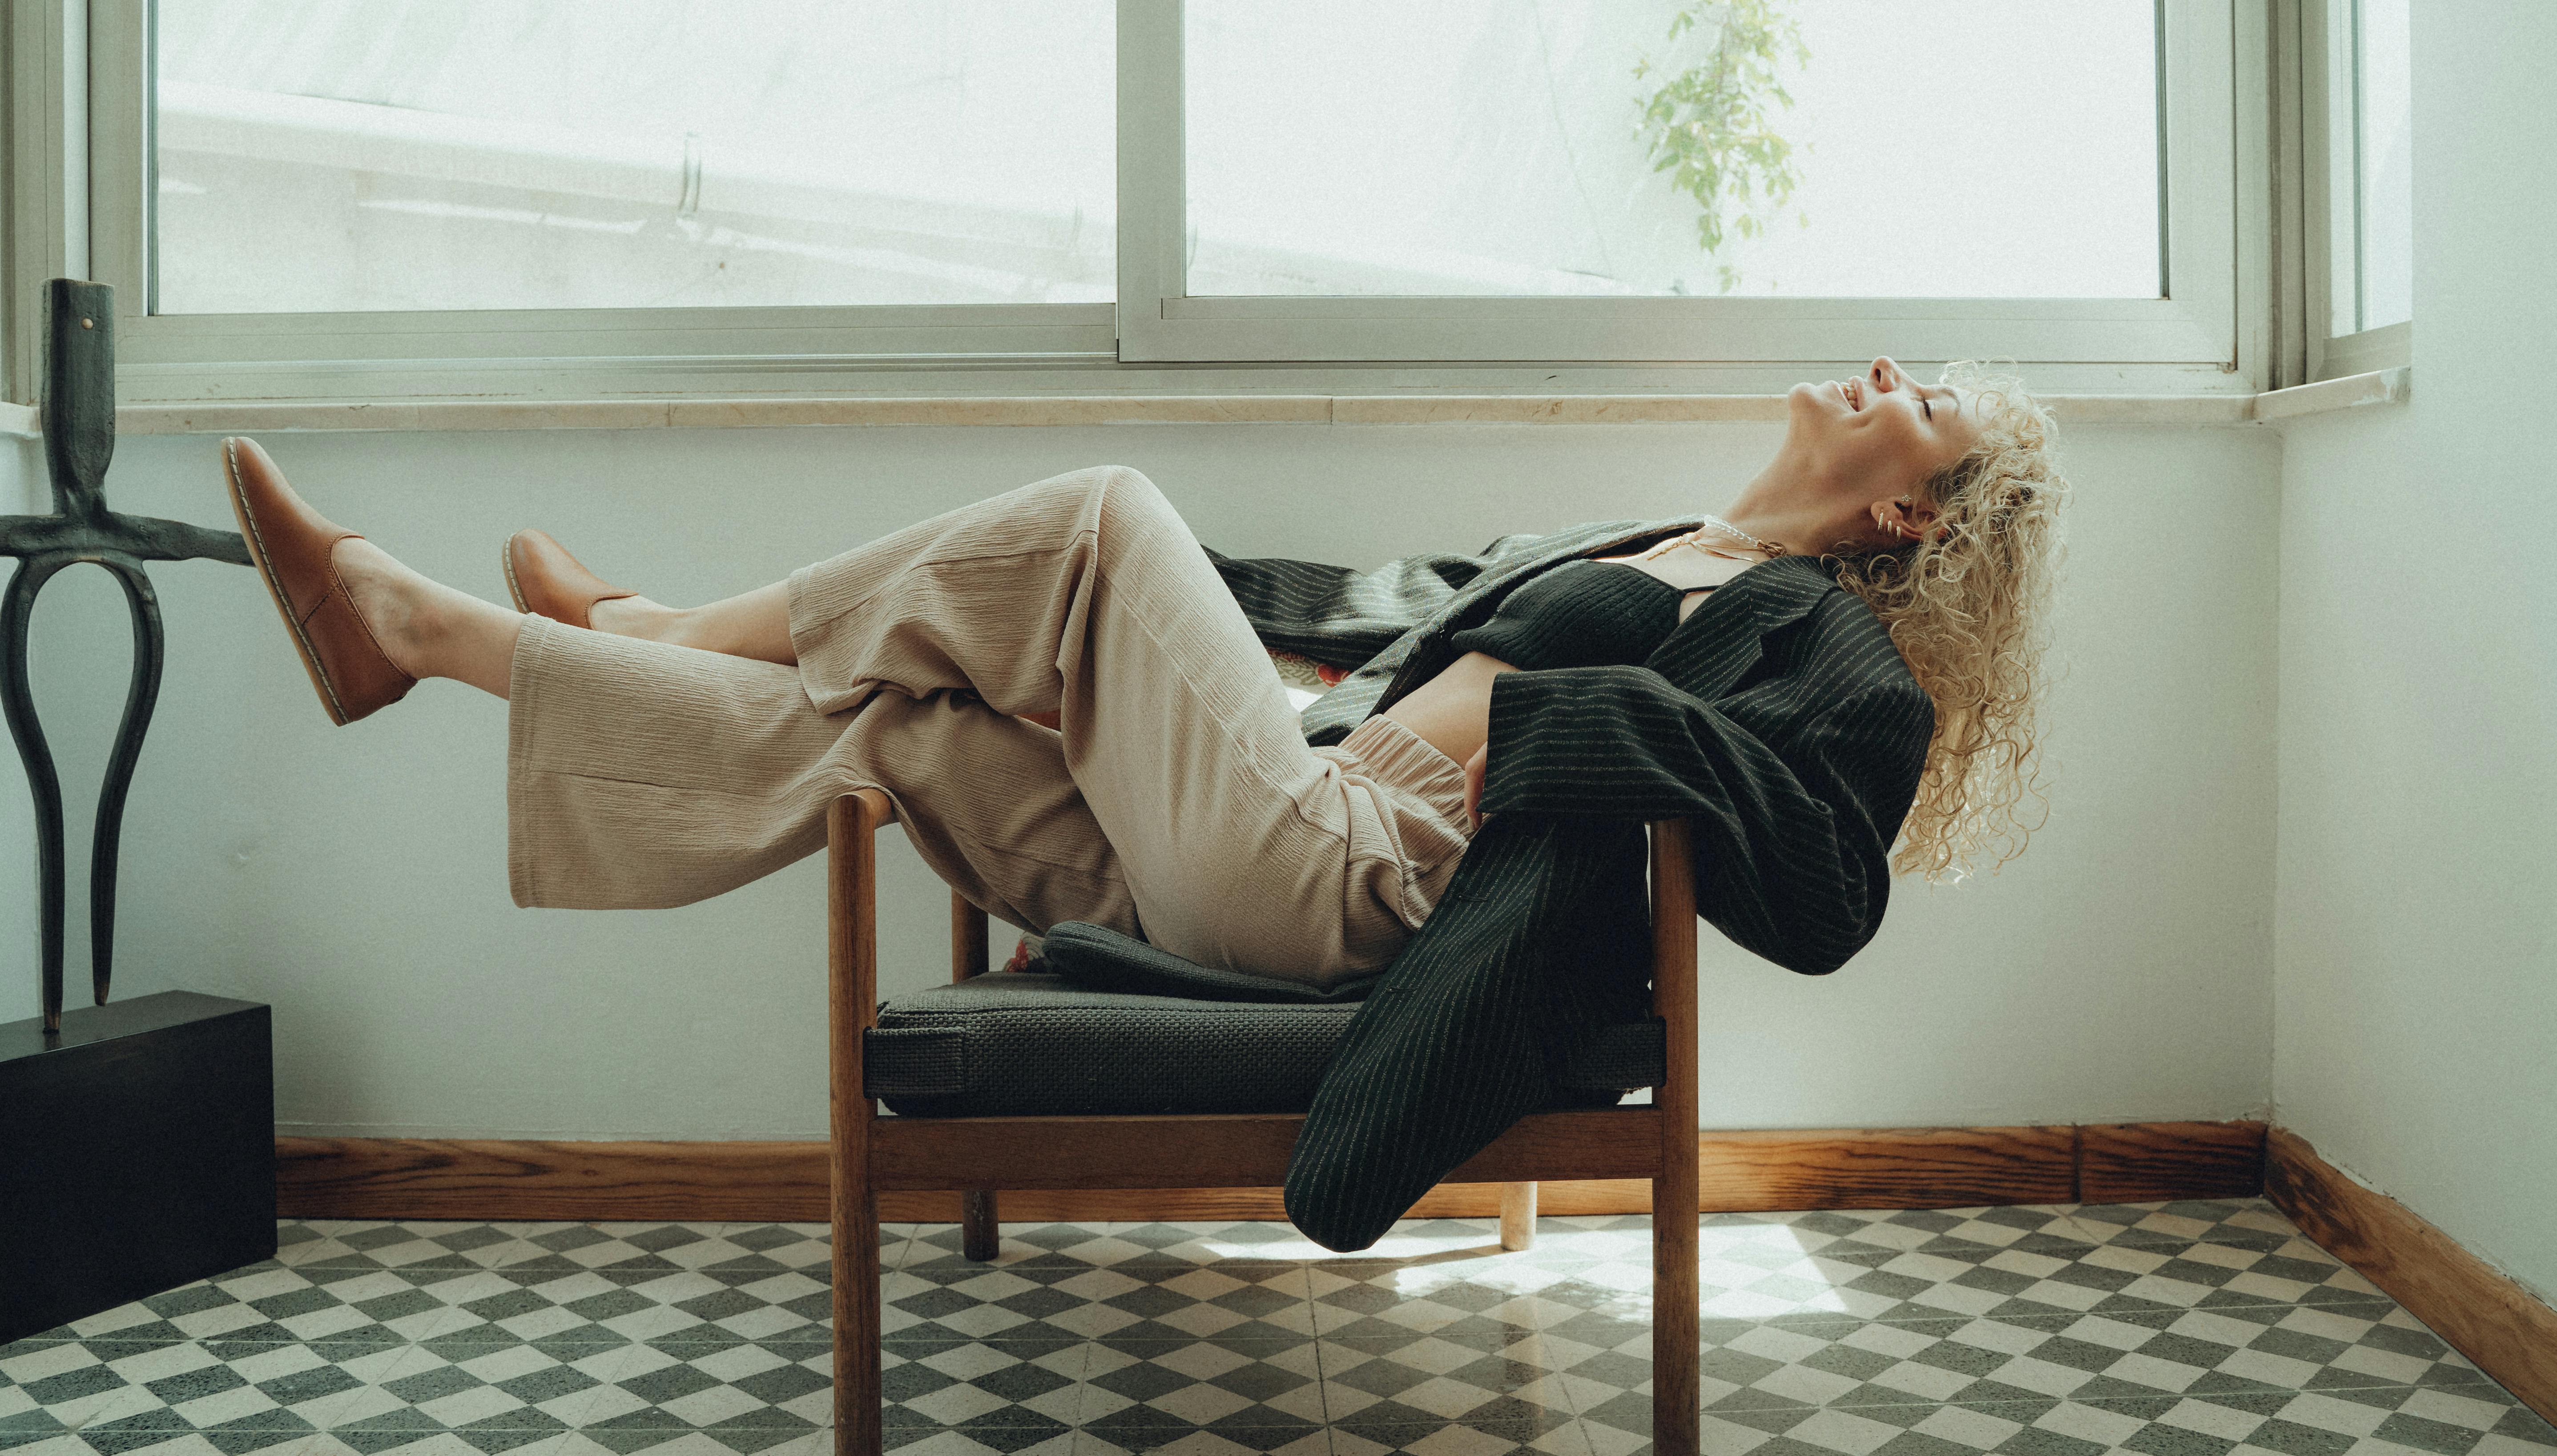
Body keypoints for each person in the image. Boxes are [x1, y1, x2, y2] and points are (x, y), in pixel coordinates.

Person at [223, 354, 2067, 1248]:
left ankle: (587, 620)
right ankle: (438, 643)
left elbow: (1825, 893)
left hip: (1360, 889)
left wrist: (1571, 727)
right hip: (1290, 809)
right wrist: (1168, 686)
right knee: (898, 713)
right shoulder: (1654, 536)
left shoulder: (1821, 644)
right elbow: (1371, 641)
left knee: (1101, 510)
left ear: (1909, 515)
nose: (1886, 370)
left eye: (1932, 401)